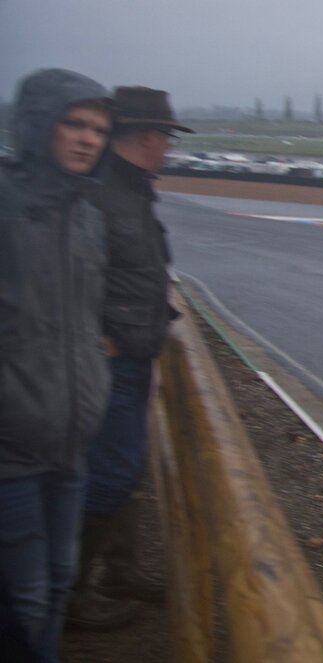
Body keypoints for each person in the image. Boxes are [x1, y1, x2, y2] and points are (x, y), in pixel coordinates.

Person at [66, 87, 193, 629]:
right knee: (109, 474)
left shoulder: (132, 190)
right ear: (147, 137)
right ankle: (71, 594)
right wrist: (101, 339)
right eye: (164, 136)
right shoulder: (100, 193)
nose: (167, 146)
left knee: (123, 468)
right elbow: (77, 274)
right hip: (109, 362)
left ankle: (117, 570)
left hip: (132, 356)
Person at [0, 69, 113, 662]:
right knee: (26, 600)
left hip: (70, 443)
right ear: (41, 123)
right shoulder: (6, 204)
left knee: (60, 583)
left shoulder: (88, 214)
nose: (88, 138)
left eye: (98, 128)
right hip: (10, 450)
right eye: (75, 122)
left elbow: (85, 322)